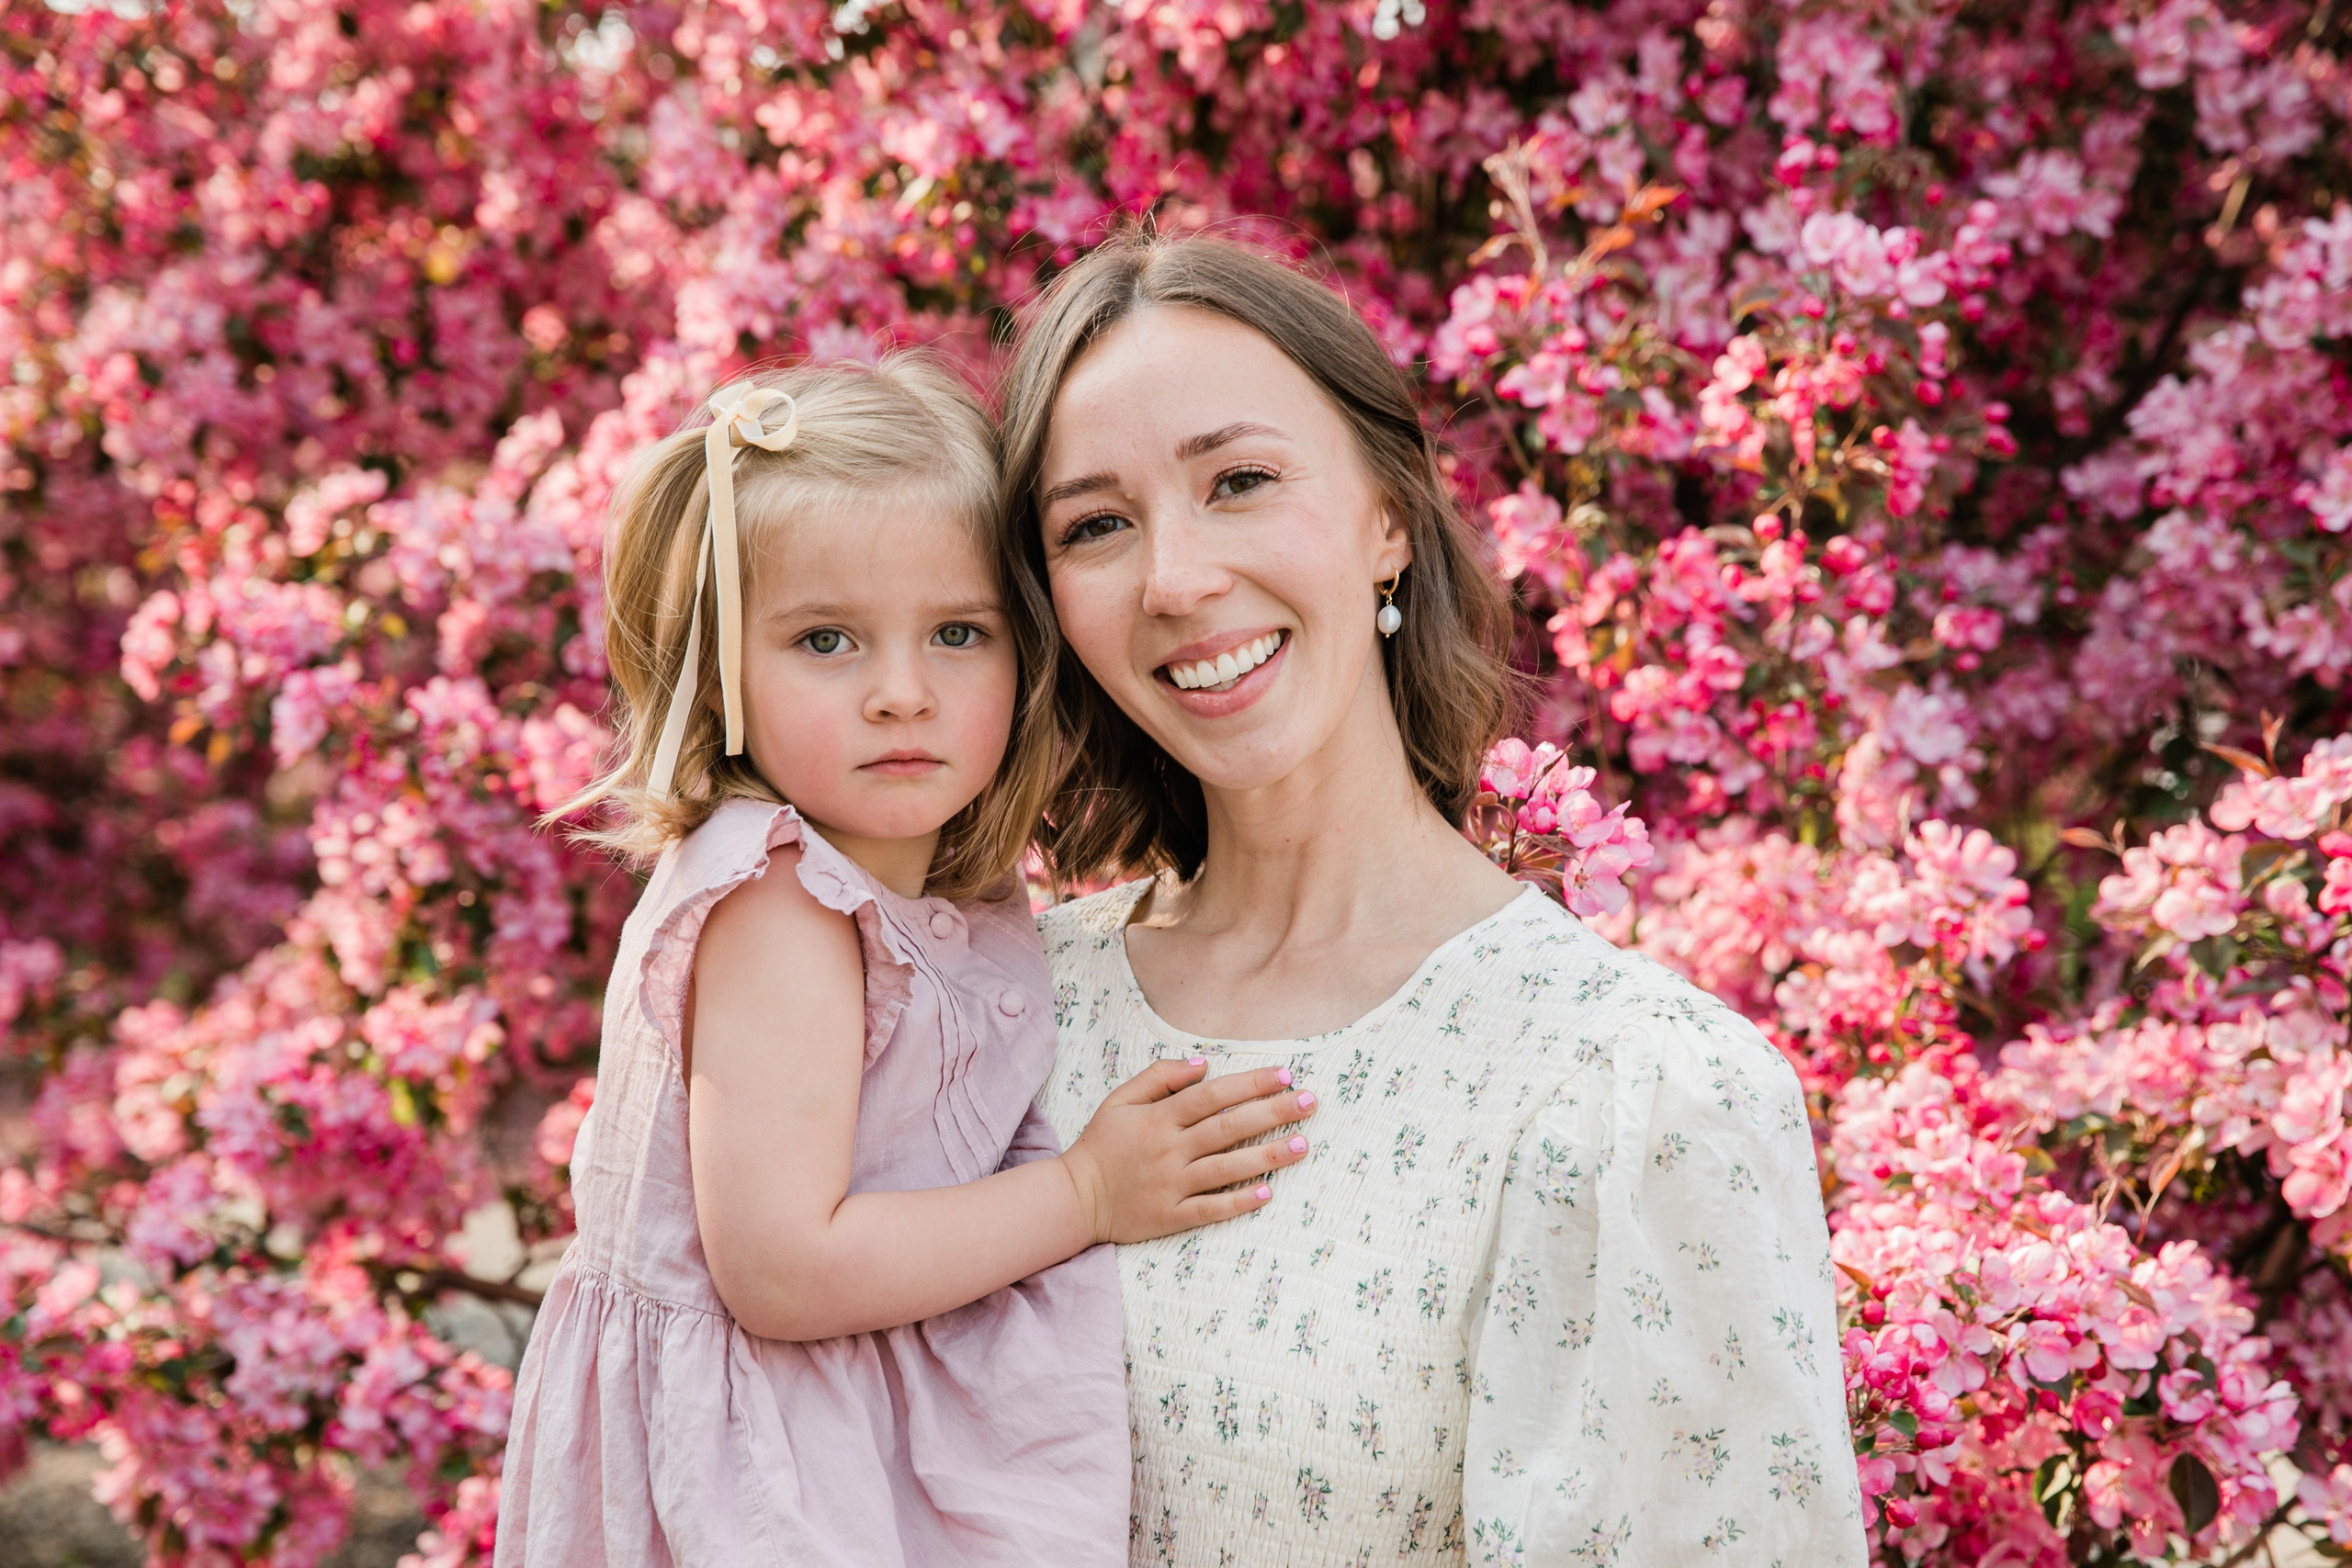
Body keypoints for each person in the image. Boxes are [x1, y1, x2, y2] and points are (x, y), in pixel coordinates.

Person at [1000, 237, 1868, 1566]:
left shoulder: (1629, 1087)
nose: (1173, 578)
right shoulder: (1001, 1012)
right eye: (1096, 524)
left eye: (1239, 481)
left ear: (1387, 521)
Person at [496, 355, 1317, 1567]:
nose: (900, 694)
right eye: (826, 639)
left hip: (823, 1439)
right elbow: (783, 1268)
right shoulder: (781, 902)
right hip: (755, 1485)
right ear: (723, 675)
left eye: (956, 633)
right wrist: (1088, 1194)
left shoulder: (906, 875)